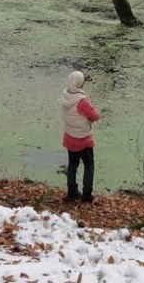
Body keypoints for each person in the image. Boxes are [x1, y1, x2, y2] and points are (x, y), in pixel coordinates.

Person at [60, 70, 100, 202]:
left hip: (70, 135)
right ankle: (87, 195)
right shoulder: (81, 100)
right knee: (89, 165)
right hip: (83, 138)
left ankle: (71, 192)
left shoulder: (65, 95)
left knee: (72, 164)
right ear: (79, 83)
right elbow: (95, 116)